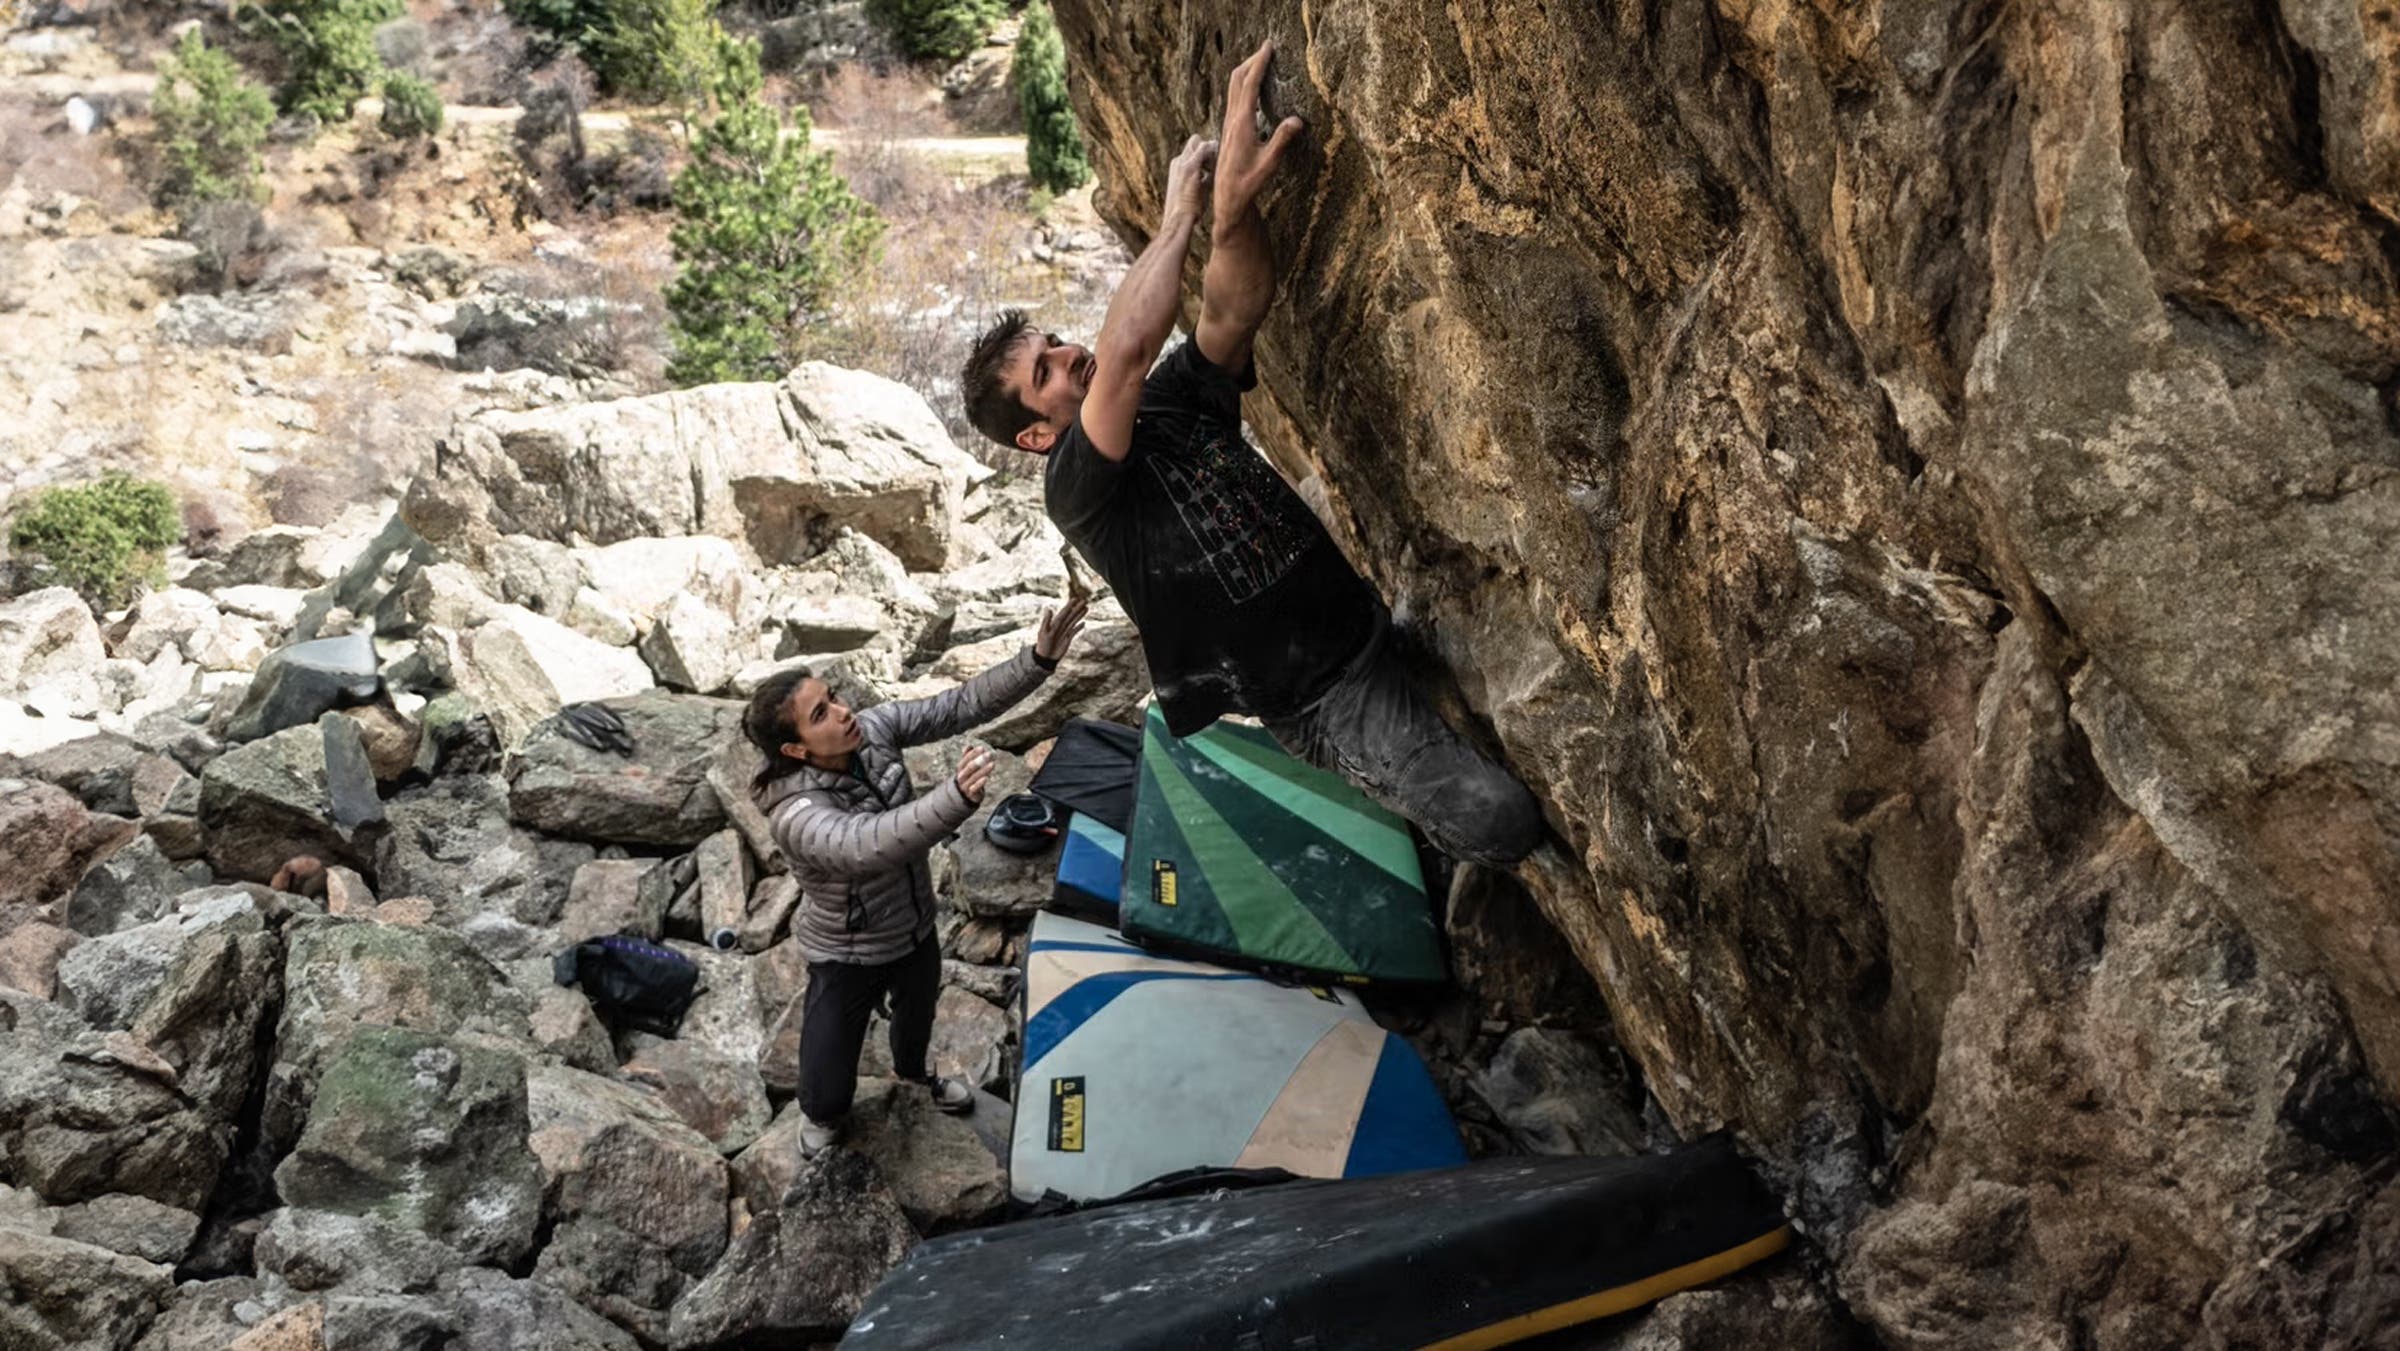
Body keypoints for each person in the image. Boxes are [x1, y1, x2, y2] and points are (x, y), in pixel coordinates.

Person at [957, 41, 1542, 870]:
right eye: (1045, 371)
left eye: (1056, 341)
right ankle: (1444, 850)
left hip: (1361, 619)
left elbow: (1232, 312)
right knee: (1501, 819)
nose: (1069, 355)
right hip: (1322, 697)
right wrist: (1178, 218)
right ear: (1035, 435)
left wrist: (1231, 216)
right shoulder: (1079, 487)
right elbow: (1123, 350)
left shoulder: (1167, 398)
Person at [745, 597, 1090, 1154]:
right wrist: (953, 799)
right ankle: (820, 1117)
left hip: (912, 924)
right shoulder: (795, 814)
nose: (840, 712)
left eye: (831, 698)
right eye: (819, 716)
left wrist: (1038, 660)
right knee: (829, 1090)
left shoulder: (873, 731)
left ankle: (913, 1075)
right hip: (847, 952)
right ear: (795, 749)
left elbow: (957, 706)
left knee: (916, 1017)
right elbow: (866, 847)